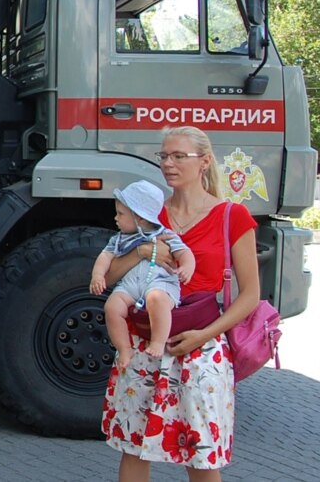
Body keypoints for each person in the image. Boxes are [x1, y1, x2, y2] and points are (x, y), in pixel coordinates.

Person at [102, 126, 261, 479]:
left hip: (200, 349)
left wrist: (205, 335)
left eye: (178, 156)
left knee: (201, 455)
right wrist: (143, 252)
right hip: (144, 344)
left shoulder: (232, 217)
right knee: (133, 447)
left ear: (204, 162)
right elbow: (108, 276)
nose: (168, 163)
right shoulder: (148, 213)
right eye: (163, 156)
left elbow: (250, 294)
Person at [89, 180, 196, 369]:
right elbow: (104, 256)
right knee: (112, 307)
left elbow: (184, 252)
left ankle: (158, 341)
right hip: (130, 284)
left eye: (120, 214)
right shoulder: (119, 239)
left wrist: (187, 266)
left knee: (157, 299)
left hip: (160, 282)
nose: (115, 218)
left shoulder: (166, 234)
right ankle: (124, 348)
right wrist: (98, 275)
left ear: (140, 218)